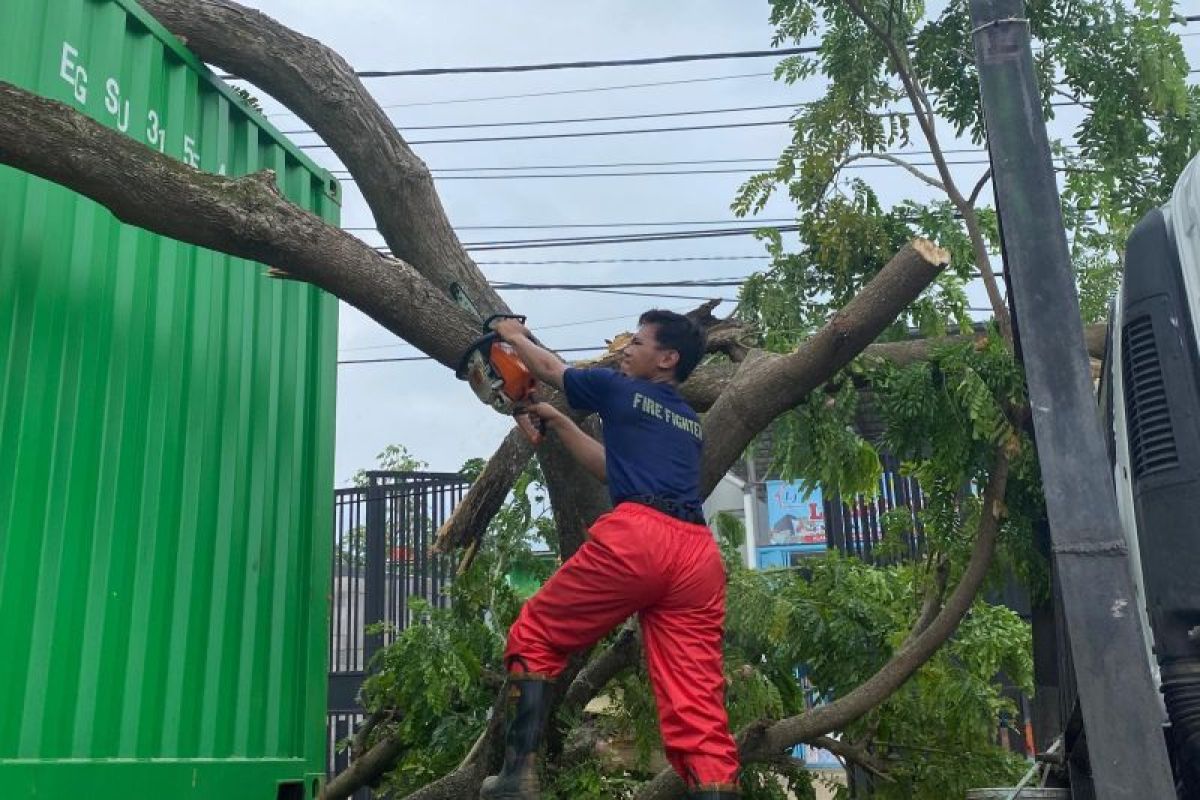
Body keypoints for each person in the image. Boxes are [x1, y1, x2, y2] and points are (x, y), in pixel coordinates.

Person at [479, 310, 740, 800]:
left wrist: (513, 335)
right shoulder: (686, 421)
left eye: (637, 343)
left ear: (667, 359)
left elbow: (555, 372)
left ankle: (518, 778)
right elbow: (611, 469)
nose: (625, 349)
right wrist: (557, 422)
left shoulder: (618, 389)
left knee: (535, 634)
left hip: (641, 538)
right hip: (697, 557)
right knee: (696, 701)